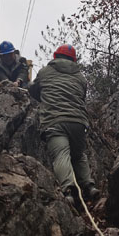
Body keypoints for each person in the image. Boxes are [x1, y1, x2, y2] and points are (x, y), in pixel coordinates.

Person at [28, 43, 100, 206]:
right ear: (74, 59)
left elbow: (33, 90)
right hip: (78, 122)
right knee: (79, 155)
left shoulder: (45, 72)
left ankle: (69, 190)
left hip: (54, 120)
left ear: (56, 56)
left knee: (62, 155)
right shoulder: (81, 77)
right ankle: (89, 186)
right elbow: (81, 97)